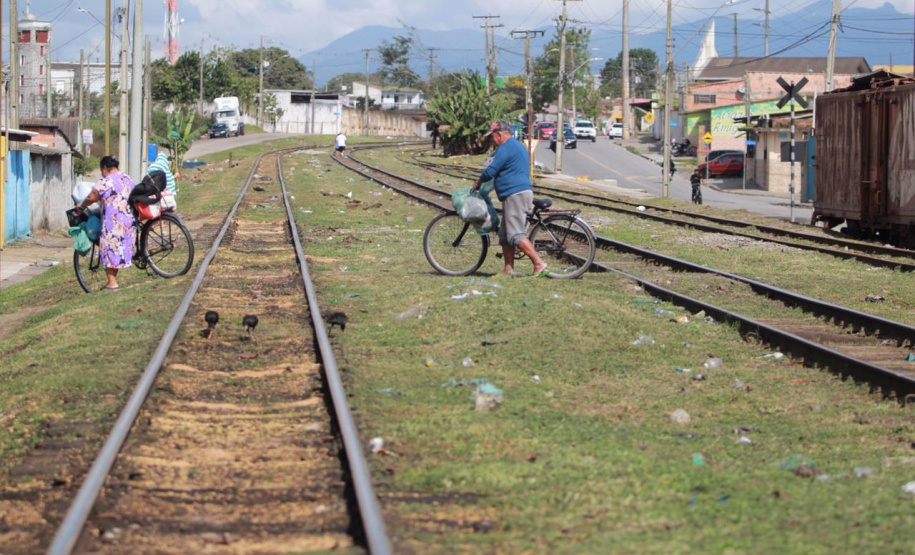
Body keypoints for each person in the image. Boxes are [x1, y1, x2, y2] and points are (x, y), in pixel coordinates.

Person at [471, 121, 548, 278]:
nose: (492, 141)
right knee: (505, 235)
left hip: (516, 194)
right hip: (515, 193)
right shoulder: (517, 145)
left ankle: (539, 264)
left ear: (499, 135)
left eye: (492, 137)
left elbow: (491, 170)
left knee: (515, 235)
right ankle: (508, 269)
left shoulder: (505, 148)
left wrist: (479, 182)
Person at [74, 156, 137, 291]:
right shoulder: (127, 179)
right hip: (129, 221)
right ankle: (112, 281)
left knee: (108, 249)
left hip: (113, 222)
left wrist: (82, 206)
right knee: (118, 250)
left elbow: (92, 196)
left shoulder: (106, 181)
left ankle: (112, 283)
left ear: (104, 168)